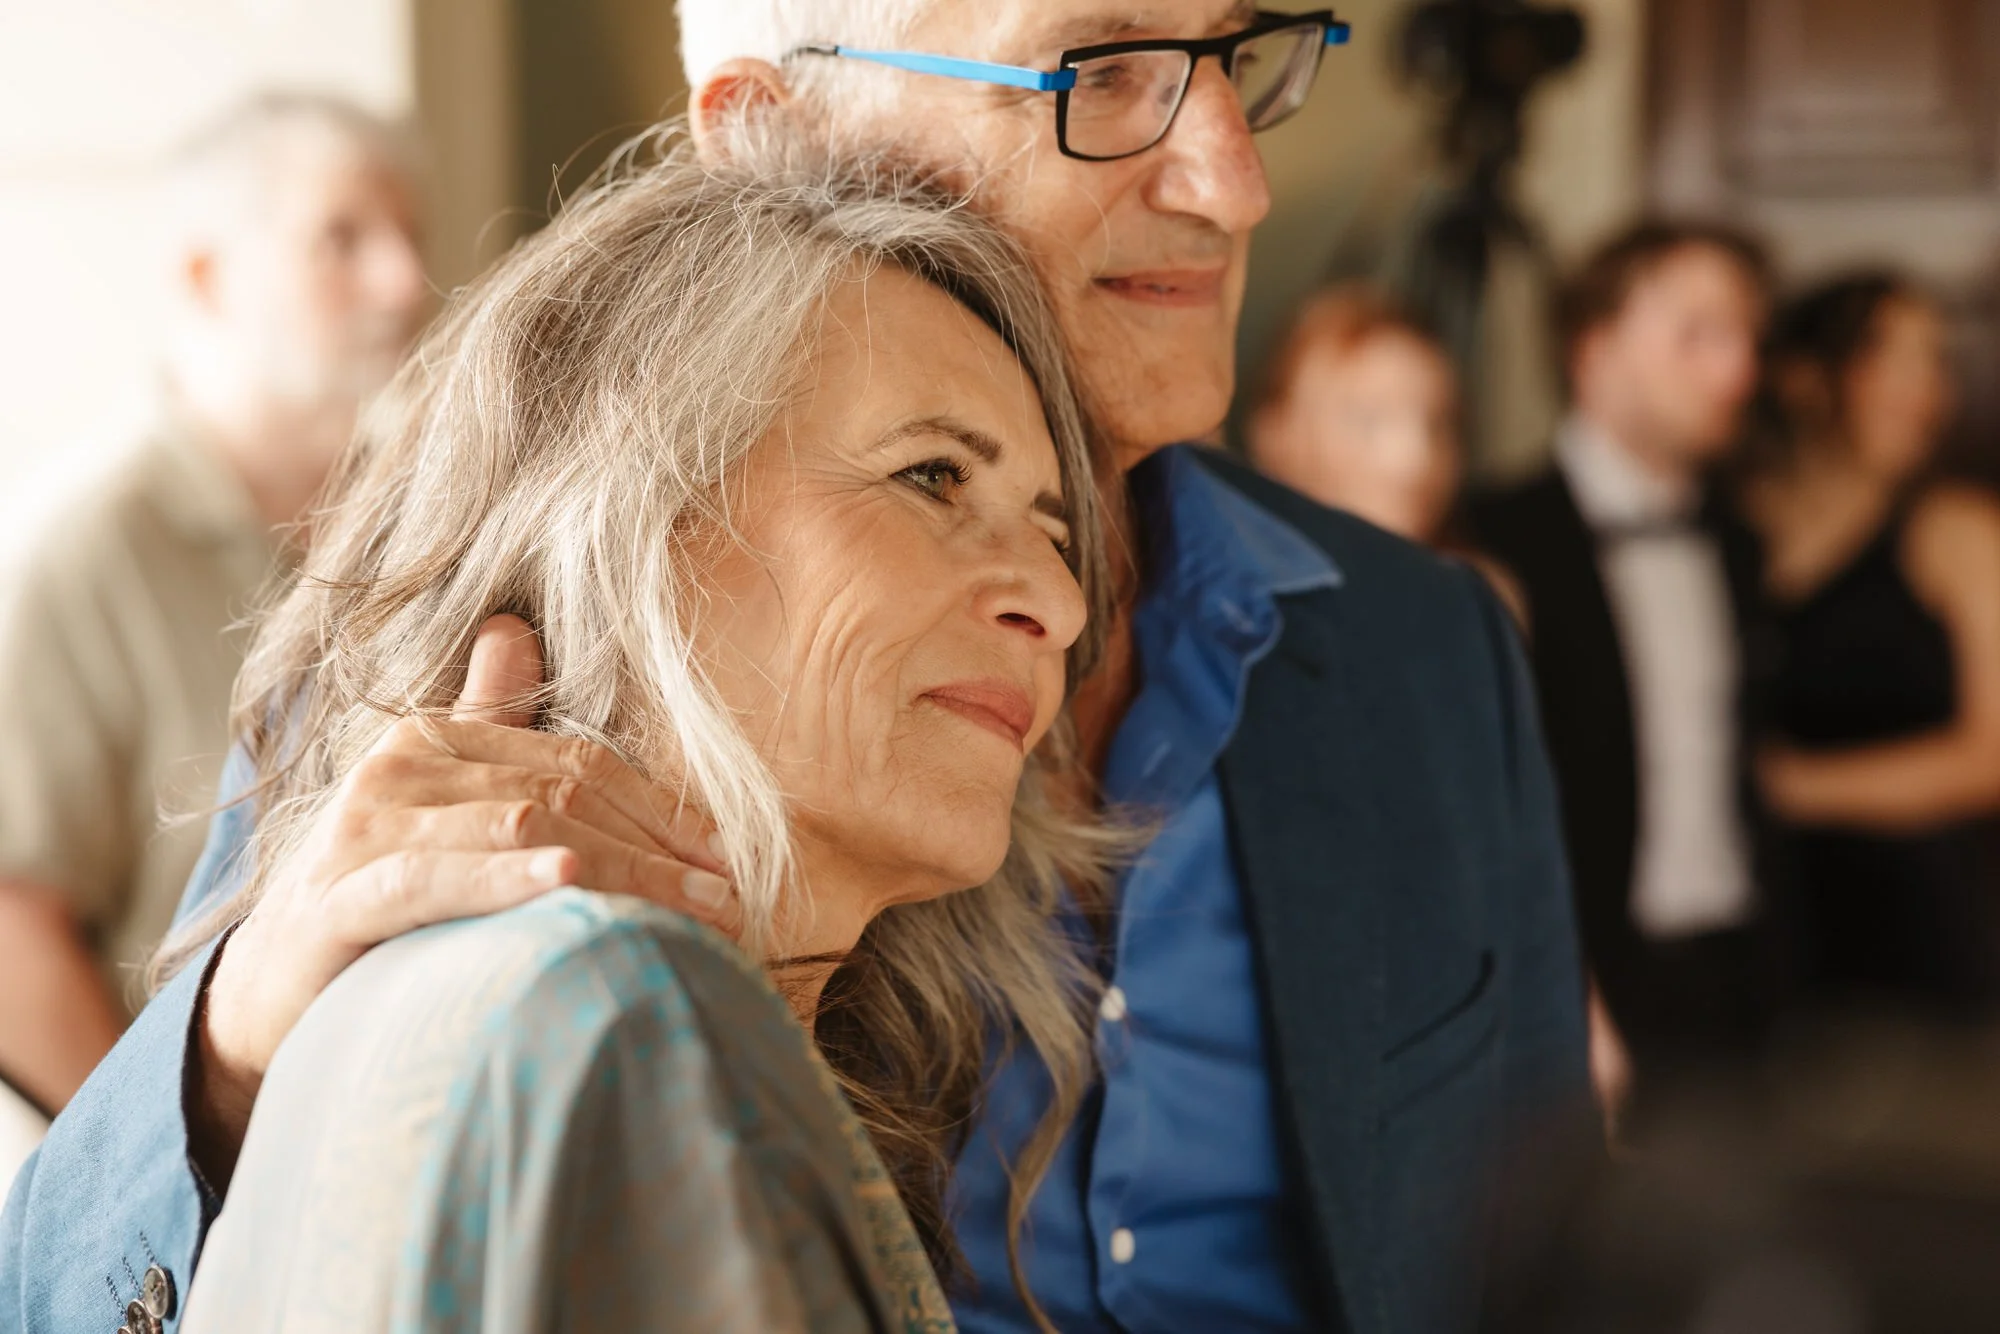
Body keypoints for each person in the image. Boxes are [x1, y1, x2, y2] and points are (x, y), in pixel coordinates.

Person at [5, 5, 1594, 1332]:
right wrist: (231, 1051)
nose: (1234, 179)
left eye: (1234, 60)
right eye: (1100, 73)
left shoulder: (1429, 651)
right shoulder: (473, 674)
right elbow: (59, 1290)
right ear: (770, 129)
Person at [176, 144, 1112, 1332]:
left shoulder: (517, 988)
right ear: (637, 514)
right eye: (930, 476)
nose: (1057, 602)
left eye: (1052, 532)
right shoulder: (618, 1013)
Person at [0, 93, 426, 1113]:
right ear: (207, 276)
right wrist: (156, 1175)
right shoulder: (79, 546)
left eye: (415, 236)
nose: (406, 280)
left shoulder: (425, 510)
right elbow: (13, 925)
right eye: (342, 238)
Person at [1468, 221, 1779, 1107]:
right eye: (1699, 335)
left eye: (1747, 338)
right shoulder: (1494, 539)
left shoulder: (1742, 543)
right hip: (1572, 983)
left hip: (1742, 983)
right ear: (1595, 347)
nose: (1739, 372)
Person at [1744, 271, 2000, 1017]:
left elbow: (1992, 757)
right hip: (1760, 932)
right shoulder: (1729, 531)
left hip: (1917, 933)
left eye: (1934, 364)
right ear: (1802, 380)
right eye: (1893, 361)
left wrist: (1789, 788)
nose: (1925, 392)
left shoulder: (1956, 533)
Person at [1245, 284, 1463, 543]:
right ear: (1274, 434)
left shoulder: (1469, 580)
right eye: (1368, 421)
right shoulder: (1222, 573)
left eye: (1437, 426)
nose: (1415, 460)